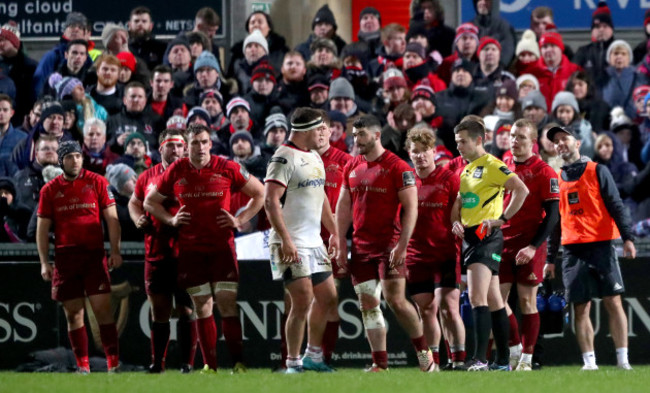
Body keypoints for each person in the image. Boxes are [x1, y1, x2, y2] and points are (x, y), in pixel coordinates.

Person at [144, 123, 264, 373]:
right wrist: (171, 220)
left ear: (211, 144)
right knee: (202, 306)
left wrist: (240, 220)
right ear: (187, 147)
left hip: (222, 249)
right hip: (191, 251)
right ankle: (210, 365)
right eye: (195, 143)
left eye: (204, 142)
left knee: (227, 303)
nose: (200, 147)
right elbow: (149, 202)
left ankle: (238, 362)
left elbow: (260, 193)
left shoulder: (227, 167)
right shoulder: (178, 169)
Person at [335, 115, 435, 373]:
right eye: (354, 135)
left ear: (377, 135)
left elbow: (412, 209)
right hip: (360, 246)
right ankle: (380, 363)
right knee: (367, 303)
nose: (356, 140)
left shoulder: (398, 167)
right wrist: (340, 240)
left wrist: (403, 244)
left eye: (362, 135)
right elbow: (343, 205)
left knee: (396, 301)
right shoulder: (351, 166)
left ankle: (424, 354)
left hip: (389, 247)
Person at [546, 125, 636, 370]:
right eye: (556, 141)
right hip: (573, 251)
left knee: (613, 302)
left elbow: (616, 204)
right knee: (580, 307)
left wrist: (628, 238)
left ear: (578, 143)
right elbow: (555, 223)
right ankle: (589, 363)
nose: (560, 143)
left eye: (565, 138)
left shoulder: (598, 170)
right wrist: (550, 258)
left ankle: (622, 360)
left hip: (602, 246)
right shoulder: (555, 180)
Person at [263, 108, 340, 373]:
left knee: (329, 298)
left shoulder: (315, 156)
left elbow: (322, 198)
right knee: (302, 299)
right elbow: (270, 201)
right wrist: (285, 241)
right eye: (320, 129)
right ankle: (292, 362)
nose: (324, 133)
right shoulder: (283, 157)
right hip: (290, 240)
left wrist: (335, 232)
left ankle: (313, 356)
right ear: (307, 130)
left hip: (314, 242)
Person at [36, 140, 122, 373]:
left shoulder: (98, 182)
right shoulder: (50, 190)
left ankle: (113, 363)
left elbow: (112, 219)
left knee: (103, 311)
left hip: (94, 256)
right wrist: (44, 262)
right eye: (69, 157)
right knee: (74, 314)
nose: (74, 160)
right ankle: (83, 366)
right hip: (65, 258)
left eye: (77, 156)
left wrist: (115, 250)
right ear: (61, 160)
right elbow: (42, 229)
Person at [450, 119, 528, 371]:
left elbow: (521, 190)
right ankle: (503, 360)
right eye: (456, 142)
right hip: (471, 237)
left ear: (478, 140)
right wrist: (455, 222)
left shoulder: (493, 165)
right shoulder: (466, 170)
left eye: (463, 141)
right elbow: (459, 204)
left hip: (485, 236)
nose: (459, 146)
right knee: (495, 300)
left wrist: (501, 219)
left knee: (476, 297)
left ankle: (480, 359)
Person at [128, 128, 197, 373]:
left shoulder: (194, 175)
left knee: (187, 308)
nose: (176, 150)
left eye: (180, 146)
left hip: (187, 253)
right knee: (160, 310)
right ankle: (158, 363)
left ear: (186, 149)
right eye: (171, 146)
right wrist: (137, 219)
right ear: (160, 149)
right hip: (157, 251)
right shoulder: (147, 176)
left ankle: (187, 364)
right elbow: (134, 203)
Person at [498, 119, 560, 371]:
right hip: (502, 243)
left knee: (526, 302)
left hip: (529, 245)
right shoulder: (503, 167)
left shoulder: (544, 171)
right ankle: (514, 349)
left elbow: (553, 217)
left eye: (521, 137)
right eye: (513, 136)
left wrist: (534, 247)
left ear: (533, 142)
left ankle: (527, 358)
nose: (515, 141)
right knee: (496, 301)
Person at [405, 127, 466, 371]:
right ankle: (434, 363)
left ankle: (459, 360)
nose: (420, 156)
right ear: (409, 154)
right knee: (426, 310)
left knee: (448, 307)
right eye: (415, 151)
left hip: (445, 253)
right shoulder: (406, 181)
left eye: (424, 151)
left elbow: (460, 212)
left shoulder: (449, 178)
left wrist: (459, 225)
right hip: (415, 256)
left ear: (433, 152)